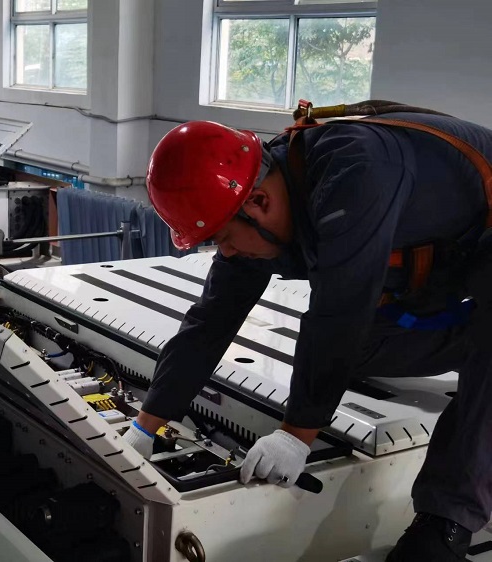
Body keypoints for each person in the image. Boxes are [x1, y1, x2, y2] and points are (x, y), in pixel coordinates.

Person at [122, 108, 492, 561]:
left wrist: (296, 435)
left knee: (348, 336)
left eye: (223, 238)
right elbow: (211, 319)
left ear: (259, 203)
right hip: (455, 258)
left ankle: (446, 525)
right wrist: (147, 424)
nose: (226, 252)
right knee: (349, 350)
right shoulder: (264, 197)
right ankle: (478, 347)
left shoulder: (354, 174)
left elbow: (340, 310)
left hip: (481, 249)